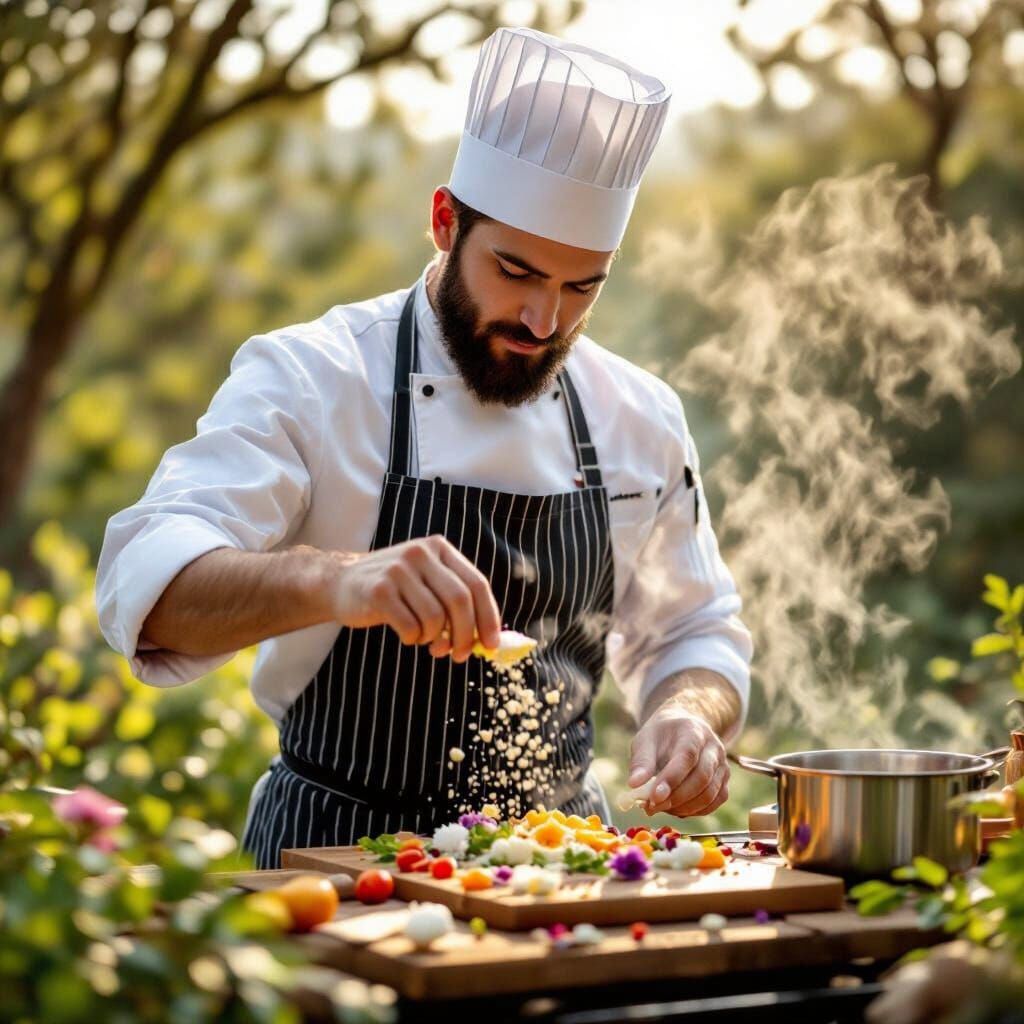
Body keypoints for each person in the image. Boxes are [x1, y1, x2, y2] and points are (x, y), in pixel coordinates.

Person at [96, 27, 753, 869]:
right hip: (331, 859)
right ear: (444, 221)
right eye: (515, 272)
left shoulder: (639, 416)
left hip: (556, 865)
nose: (543, 322)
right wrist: (338, 579)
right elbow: (143, 585)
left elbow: (695, 631)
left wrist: (691, 713)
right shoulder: (312, 376)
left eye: (581, 285)